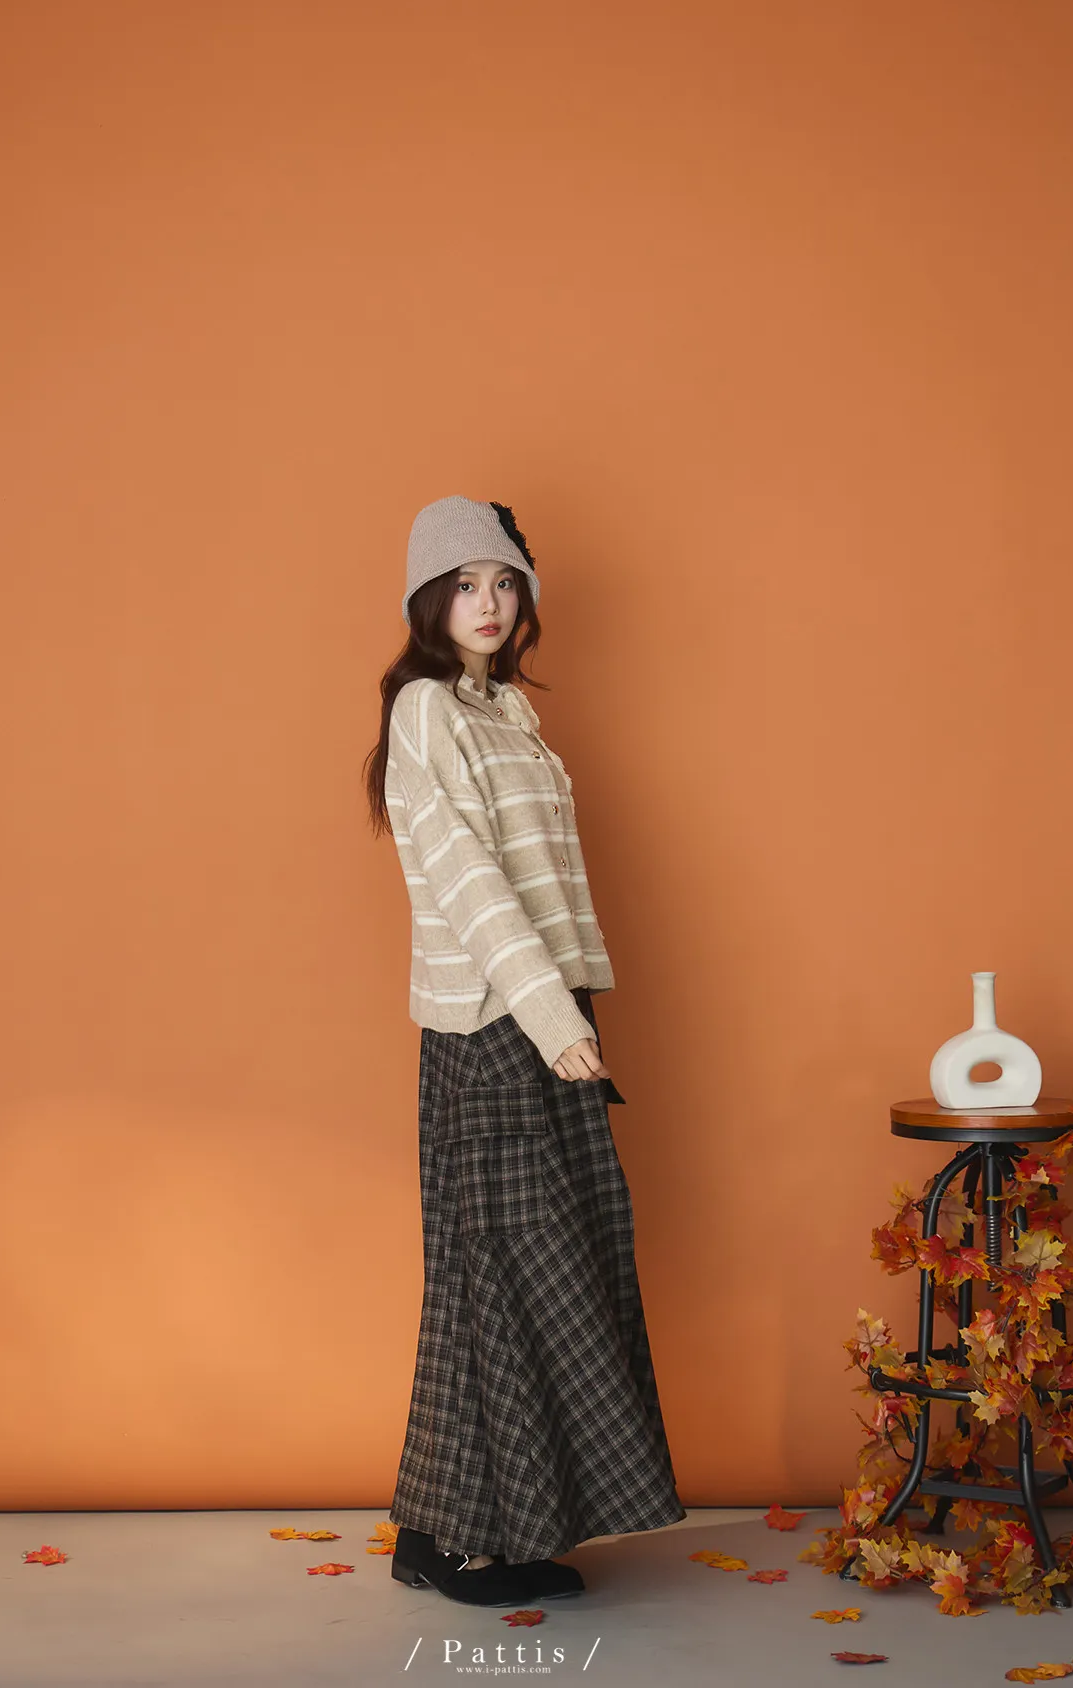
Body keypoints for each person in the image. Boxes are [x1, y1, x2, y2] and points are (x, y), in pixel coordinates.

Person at [361, 495, 686, 1607]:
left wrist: (571, 1011)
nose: (489, 603)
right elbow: (469, 884)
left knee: (521, 1266)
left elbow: (543, 883)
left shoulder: (505, 712)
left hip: (549, 1012)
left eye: (505, 582)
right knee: (500, 1274)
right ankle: (459, 1543)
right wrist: (555, 1021)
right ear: (428, 598)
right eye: (465, 584)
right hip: (497, 1024)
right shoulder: (426, 712)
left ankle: (437, 1530)